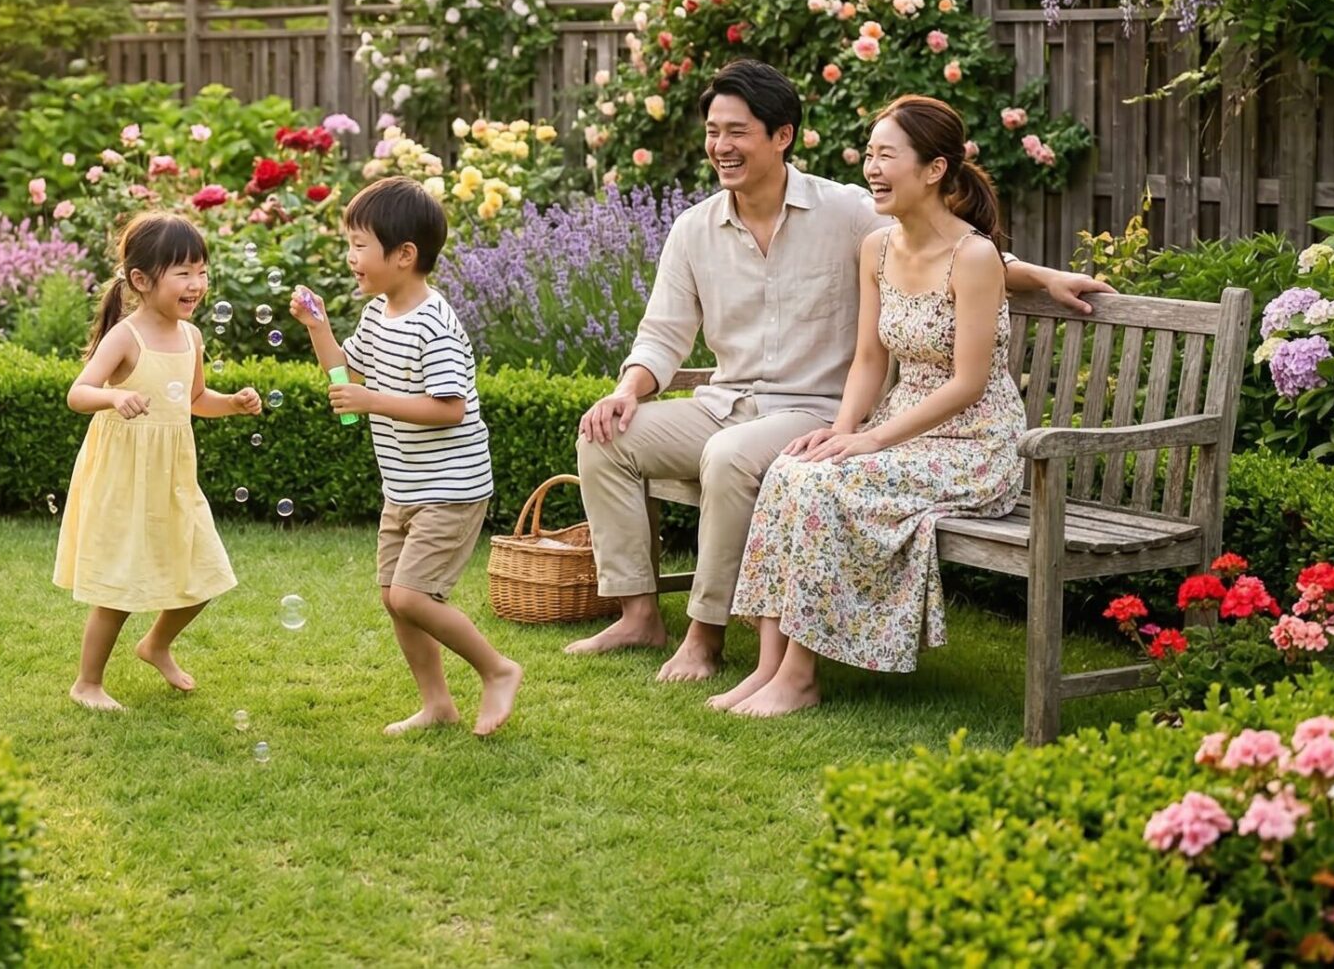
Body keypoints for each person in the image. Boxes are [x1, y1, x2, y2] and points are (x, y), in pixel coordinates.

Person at [568, 60, 1108, 682]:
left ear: (782, 136)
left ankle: (705, 636)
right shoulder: (694, 229)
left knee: (730, 457)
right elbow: (662, 334)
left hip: (815, 411)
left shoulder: (847, 210)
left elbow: (942, 244)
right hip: (726, 403)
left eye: (737, 131)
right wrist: (627, 390)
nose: (721, 146)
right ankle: (640, 614)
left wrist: (1039, 275)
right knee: (604, 438)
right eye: (714, 131)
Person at [717, 96, 1025, 715]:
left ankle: (800, 678)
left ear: (934, 170)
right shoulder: (877, 248)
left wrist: (872, 442)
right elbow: (869, 361)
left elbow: (968, 383)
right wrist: (842, 428)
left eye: (888, 156)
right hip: (902, 425)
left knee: (829, 485)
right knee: (792, 469)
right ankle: (770, 666)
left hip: (975, 443)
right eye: (870, 154)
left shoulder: (975, 257)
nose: (872, 168)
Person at [293, 176, 524, 737]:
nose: (350, 257)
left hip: (451, 487)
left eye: (358, 245)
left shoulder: (433, 323)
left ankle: (498, 669)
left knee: (412, 595)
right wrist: (319, 329)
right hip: (404, 486)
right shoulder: (378, 314)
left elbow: (450, 408)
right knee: (395, 600)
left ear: (403, 255)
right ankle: (437, 704)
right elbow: (350, 377)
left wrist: (371, 400)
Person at [56, 211, 260, 711]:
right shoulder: (127, 337)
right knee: (120, 587)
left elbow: (192, 399)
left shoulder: (191, 338)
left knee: (204, 573)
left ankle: (156, 645)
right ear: (141, 280)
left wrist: (229, 402)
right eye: (184, 273)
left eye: (202, 271)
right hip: (124, 478)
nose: (198, 284)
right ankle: (88, 683)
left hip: (172, 479)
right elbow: (78, 393)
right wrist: (111, 399)